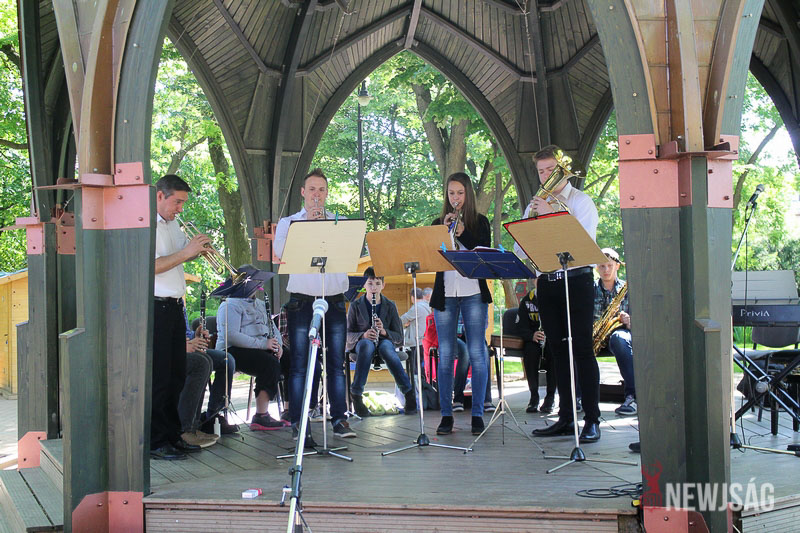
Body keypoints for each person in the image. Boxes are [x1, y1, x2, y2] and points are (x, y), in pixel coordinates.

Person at [519, 146, 602, 443]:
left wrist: (554, 214)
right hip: (547, 282)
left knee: (582, 350)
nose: (545, 176)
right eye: (541, 171)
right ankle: (565, 418)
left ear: (563, 170)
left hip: (577, 281)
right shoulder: (535, 204)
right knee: (557, 352)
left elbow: (584, 243)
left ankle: (592, 419)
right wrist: (533, 221)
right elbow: (520, 247)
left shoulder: (581, 201)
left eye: (550, 170)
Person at [274, 168, 357, 444]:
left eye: (321, 190)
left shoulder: (340, 222)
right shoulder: (288, 223)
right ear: (303, 192)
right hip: (301, 301)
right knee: (299, 364)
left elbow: (351, 254)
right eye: (312, 190)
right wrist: (308, 227)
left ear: (327, 193)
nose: (316, 195)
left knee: (336, 364)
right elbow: (280, 253)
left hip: (334, 300)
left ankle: (339, 419)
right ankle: (300, 423)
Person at [151, 174, 210, 460]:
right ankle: (156, 440)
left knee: (176, 376)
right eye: (177, 202)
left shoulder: (173, 225)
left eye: (183, 203)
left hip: (175, 307)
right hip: (156, 307)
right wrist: (187, 252)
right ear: (159, 196)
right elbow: (151, 266)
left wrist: (198, 250)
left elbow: (181, 256)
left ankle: (173, 435)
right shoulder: (146, 225)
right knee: (161, 377)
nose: (180, 209)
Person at [430, 172, 492, 436]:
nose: (455, 198)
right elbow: (432, 256)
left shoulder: (480, 222)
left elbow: (484, 253)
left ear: (468, 195)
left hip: (473, 292)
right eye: (451, 193)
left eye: (460, 193)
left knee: (477, 352)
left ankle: (477, 413)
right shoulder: (437, 223)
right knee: (445, 354)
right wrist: (443, 233)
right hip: (445, 292)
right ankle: (446, 414)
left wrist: (463, 233)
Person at [215, 271, 289, 431]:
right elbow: (231, 336)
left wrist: (278, 346)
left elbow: (273, 328)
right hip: (234, 349)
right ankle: (261, 415)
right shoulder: (229, 305)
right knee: (268, 363)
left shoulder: (261, 304)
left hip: (262, 346)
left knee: (291, 359)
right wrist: (263, 344)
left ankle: (288, 411)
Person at [346, 267, 416, 417]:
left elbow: (399, 337)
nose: (374, 288)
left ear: (383, 285)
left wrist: (384, 331)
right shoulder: (355, 305)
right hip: (363, 344)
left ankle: (408, 393)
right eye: (370, 283)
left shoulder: (390, 305)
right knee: (366, 345)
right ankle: (356, 395)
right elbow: (347, 335)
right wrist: (363, 335)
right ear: (364, 285)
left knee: (386, 348)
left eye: (377, 283)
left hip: (385, 342)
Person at [594, 248, 636, 416]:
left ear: (617, 266)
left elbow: (640, 320)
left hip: (619, 335)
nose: (606, 270)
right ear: (596, 267)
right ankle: (579, 397)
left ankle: (632, 397)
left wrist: (630, 321)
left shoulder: (627, 289)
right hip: (595, 335)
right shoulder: (590, 289)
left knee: (619, 338)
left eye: (610, 265)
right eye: (602, 266)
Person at [515, 279, 557, 413]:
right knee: (530, 353)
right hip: (533, 339)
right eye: (537, 278)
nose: (540, 281)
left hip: (551, 339)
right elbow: (520, 326)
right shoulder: (527, 300)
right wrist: (531, 335)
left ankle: (550, 397)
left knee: (554, 354)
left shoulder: (556, 297)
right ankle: (534, 397)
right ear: (533, 281)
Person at [401, 287, 431, 361]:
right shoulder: (426, 306)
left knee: (415, 365)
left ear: (412, 297)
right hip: (423, 339)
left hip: (416, 341)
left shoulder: (417, 307)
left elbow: (402, 320)